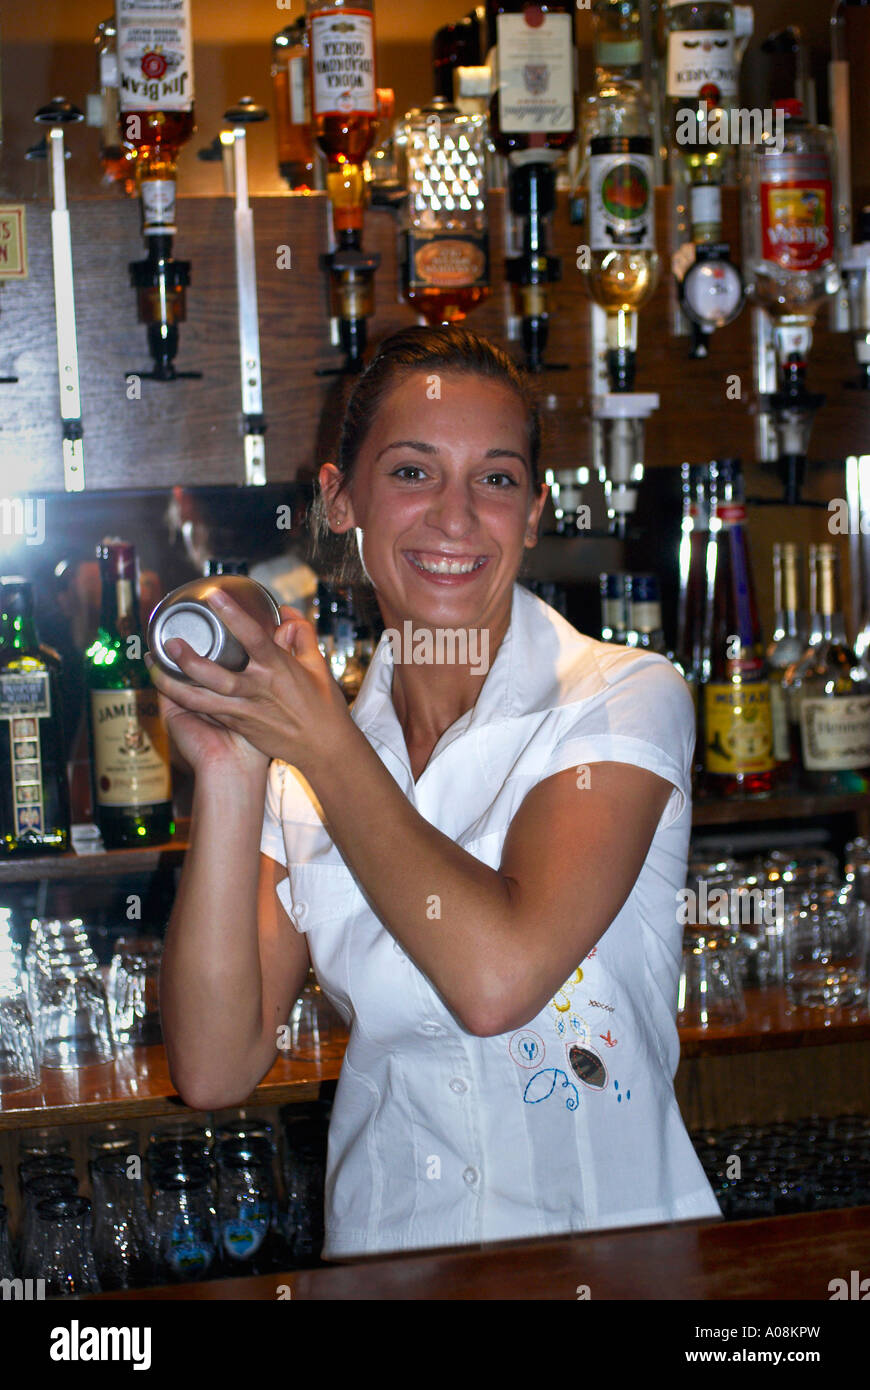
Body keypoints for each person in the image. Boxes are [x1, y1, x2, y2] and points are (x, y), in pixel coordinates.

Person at [151, 325, 720, 1261]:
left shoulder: (620, 699)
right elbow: (215, 1066)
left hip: (612, 1273)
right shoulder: (306, 758)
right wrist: (233, 770)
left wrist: (320, 741)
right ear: (341, 501)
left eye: (495, 480)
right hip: (390, 1270)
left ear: (534, 513)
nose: (456, 518)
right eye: (413, 472)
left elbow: (498, 982)